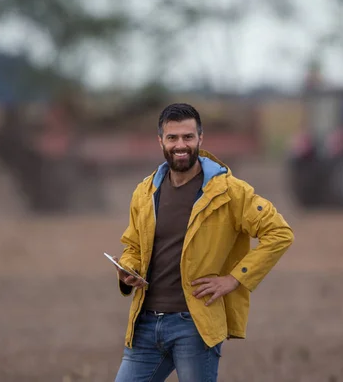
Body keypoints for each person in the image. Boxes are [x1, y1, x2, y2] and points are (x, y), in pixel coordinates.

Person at [113, 103, 294, 382]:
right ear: (160, 141)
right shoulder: (145, 192)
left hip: (194, 326)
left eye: (188, 137)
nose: (180, 145)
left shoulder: (229, 191)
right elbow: (134, 246)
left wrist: (234, 279)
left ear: (200, 138)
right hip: (146, 323)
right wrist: (127, 270)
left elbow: (279, 233)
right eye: (172, 138)